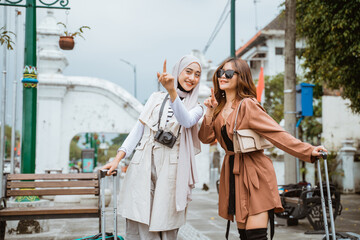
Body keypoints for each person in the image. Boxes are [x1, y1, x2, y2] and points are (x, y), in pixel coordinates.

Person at [198, 57, 327, 240]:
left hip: (254, 173)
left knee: (256, 236)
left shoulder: (248, 105)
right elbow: (205, 138)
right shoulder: (218, 108)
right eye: (220, 72)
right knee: (245, 235)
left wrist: (308, 150)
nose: (222, 76)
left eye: (228, 73)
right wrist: (209, 112)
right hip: (233, 174)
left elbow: (277, 134)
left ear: (240, 77)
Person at [102, 55, 203, 240]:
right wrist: (117, 159)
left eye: (197, 74)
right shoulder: (156, 97)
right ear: (177, 72)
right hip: (143, 159)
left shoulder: (197, 107)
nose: (192, 78)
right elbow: (138, 130)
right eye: (188, 72)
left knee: (166, 218)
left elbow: (185, 121)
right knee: (139, 213)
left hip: (172, 165)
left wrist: (172, 91)